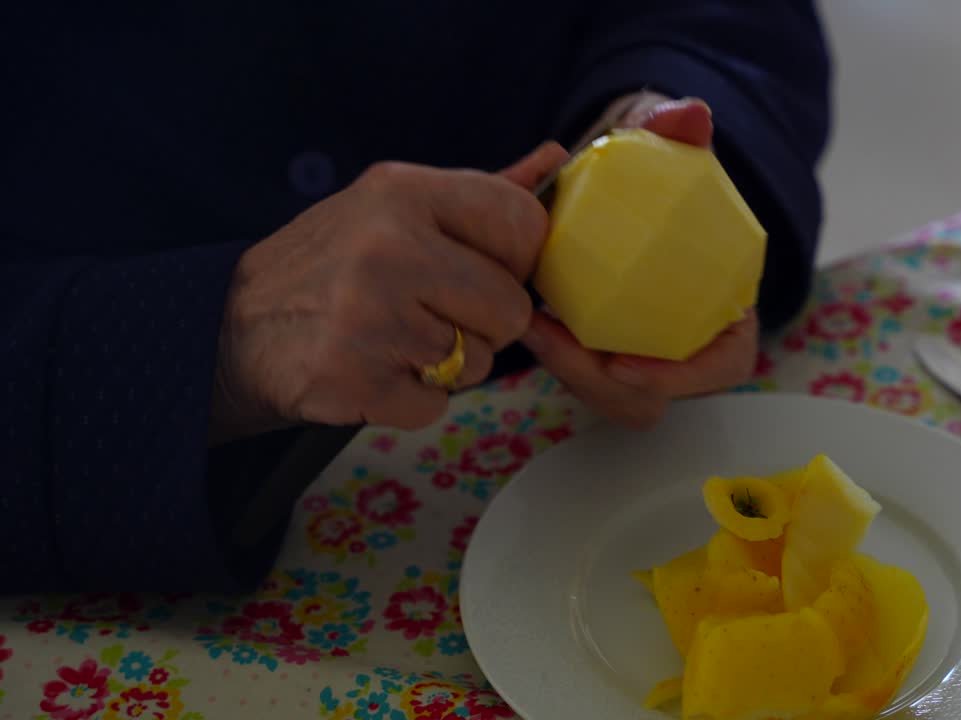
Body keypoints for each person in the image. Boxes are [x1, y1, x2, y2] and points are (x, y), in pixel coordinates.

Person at [0, 3, 831, 593]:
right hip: (103, 529)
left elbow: (734, 17)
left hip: (560, 420)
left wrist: (656, 116)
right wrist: (215, 339)